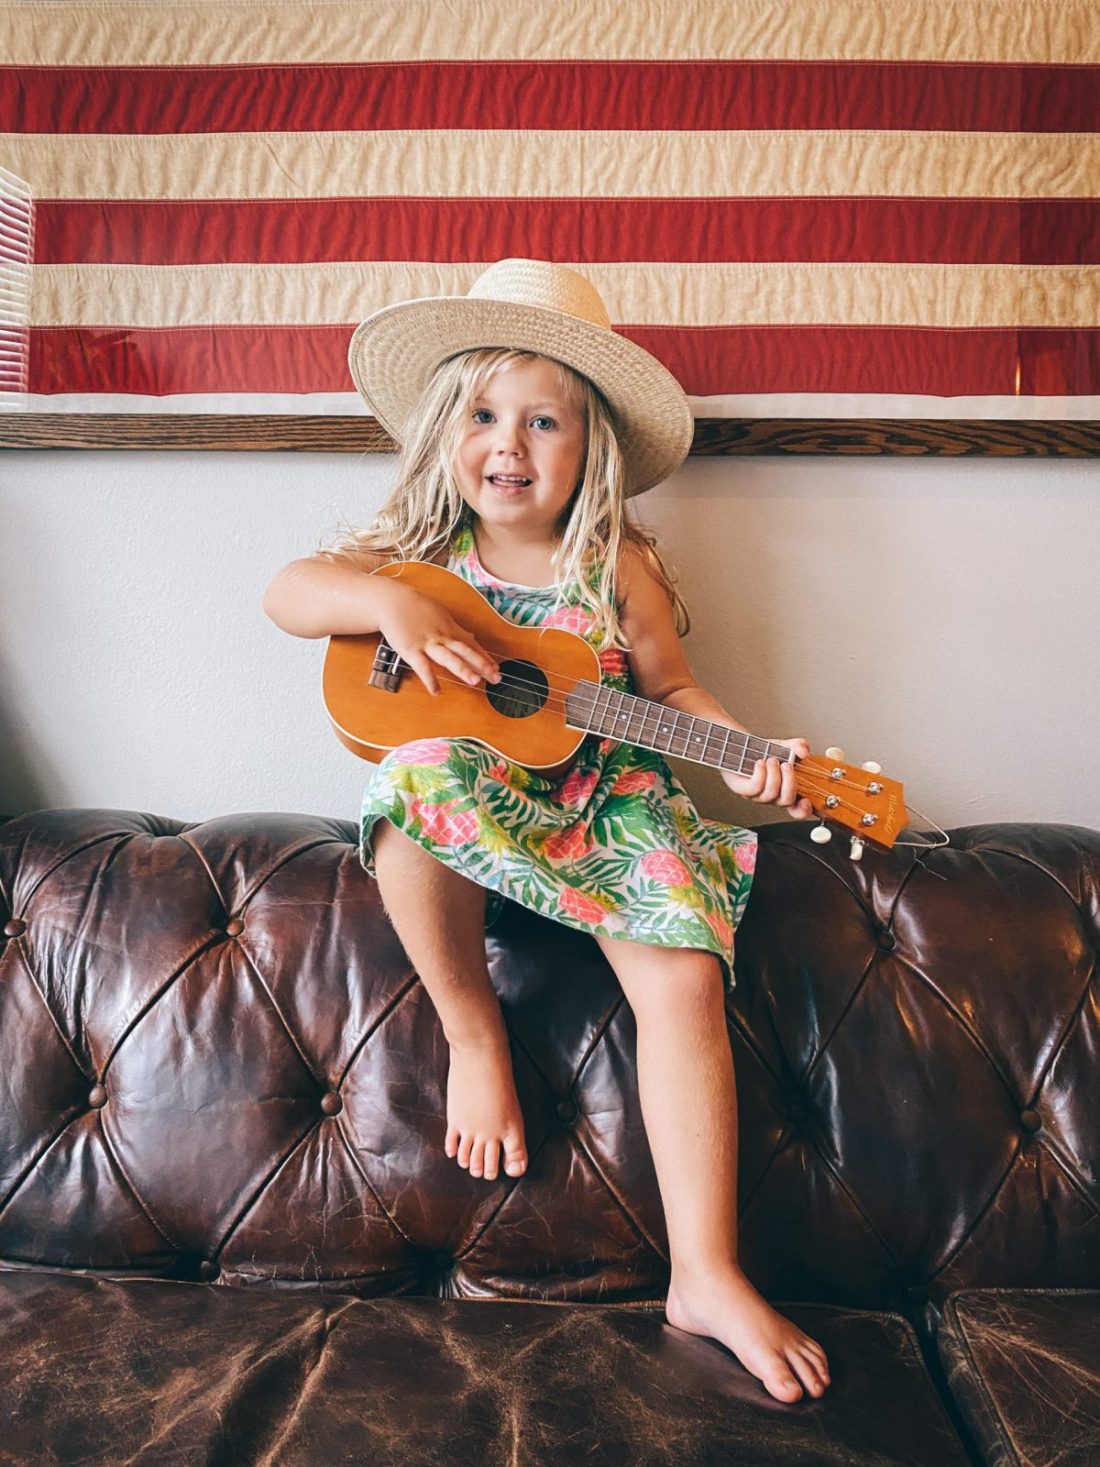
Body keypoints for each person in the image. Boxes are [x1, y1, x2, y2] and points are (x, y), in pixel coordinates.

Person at [263, 258, 830, 1403]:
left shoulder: (615, 566)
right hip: (478, 797)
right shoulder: (419, 565)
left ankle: (704, 1271)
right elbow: (286, 592)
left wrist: (749, 753)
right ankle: (476, 1037)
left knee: (681, 978)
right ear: (445, 432)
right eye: (482, 414)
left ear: (591, 447)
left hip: (610, 802)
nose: (506, 443)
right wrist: (388, 603)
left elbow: (667, 693)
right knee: (414, 787)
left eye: (542, 420)